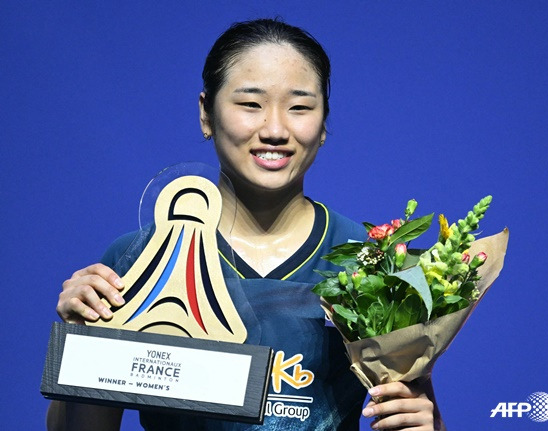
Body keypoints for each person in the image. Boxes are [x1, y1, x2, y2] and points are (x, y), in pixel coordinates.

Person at [47, 19, 443, 431]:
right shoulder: (138, 260)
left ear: (323, 124)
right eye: (250, 104)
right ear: (206, 113)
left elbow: (415, 415)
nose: (274, 130)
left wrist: (423, 422)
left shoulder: (376, 265)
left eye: (300, 107)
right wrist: (80, 343)